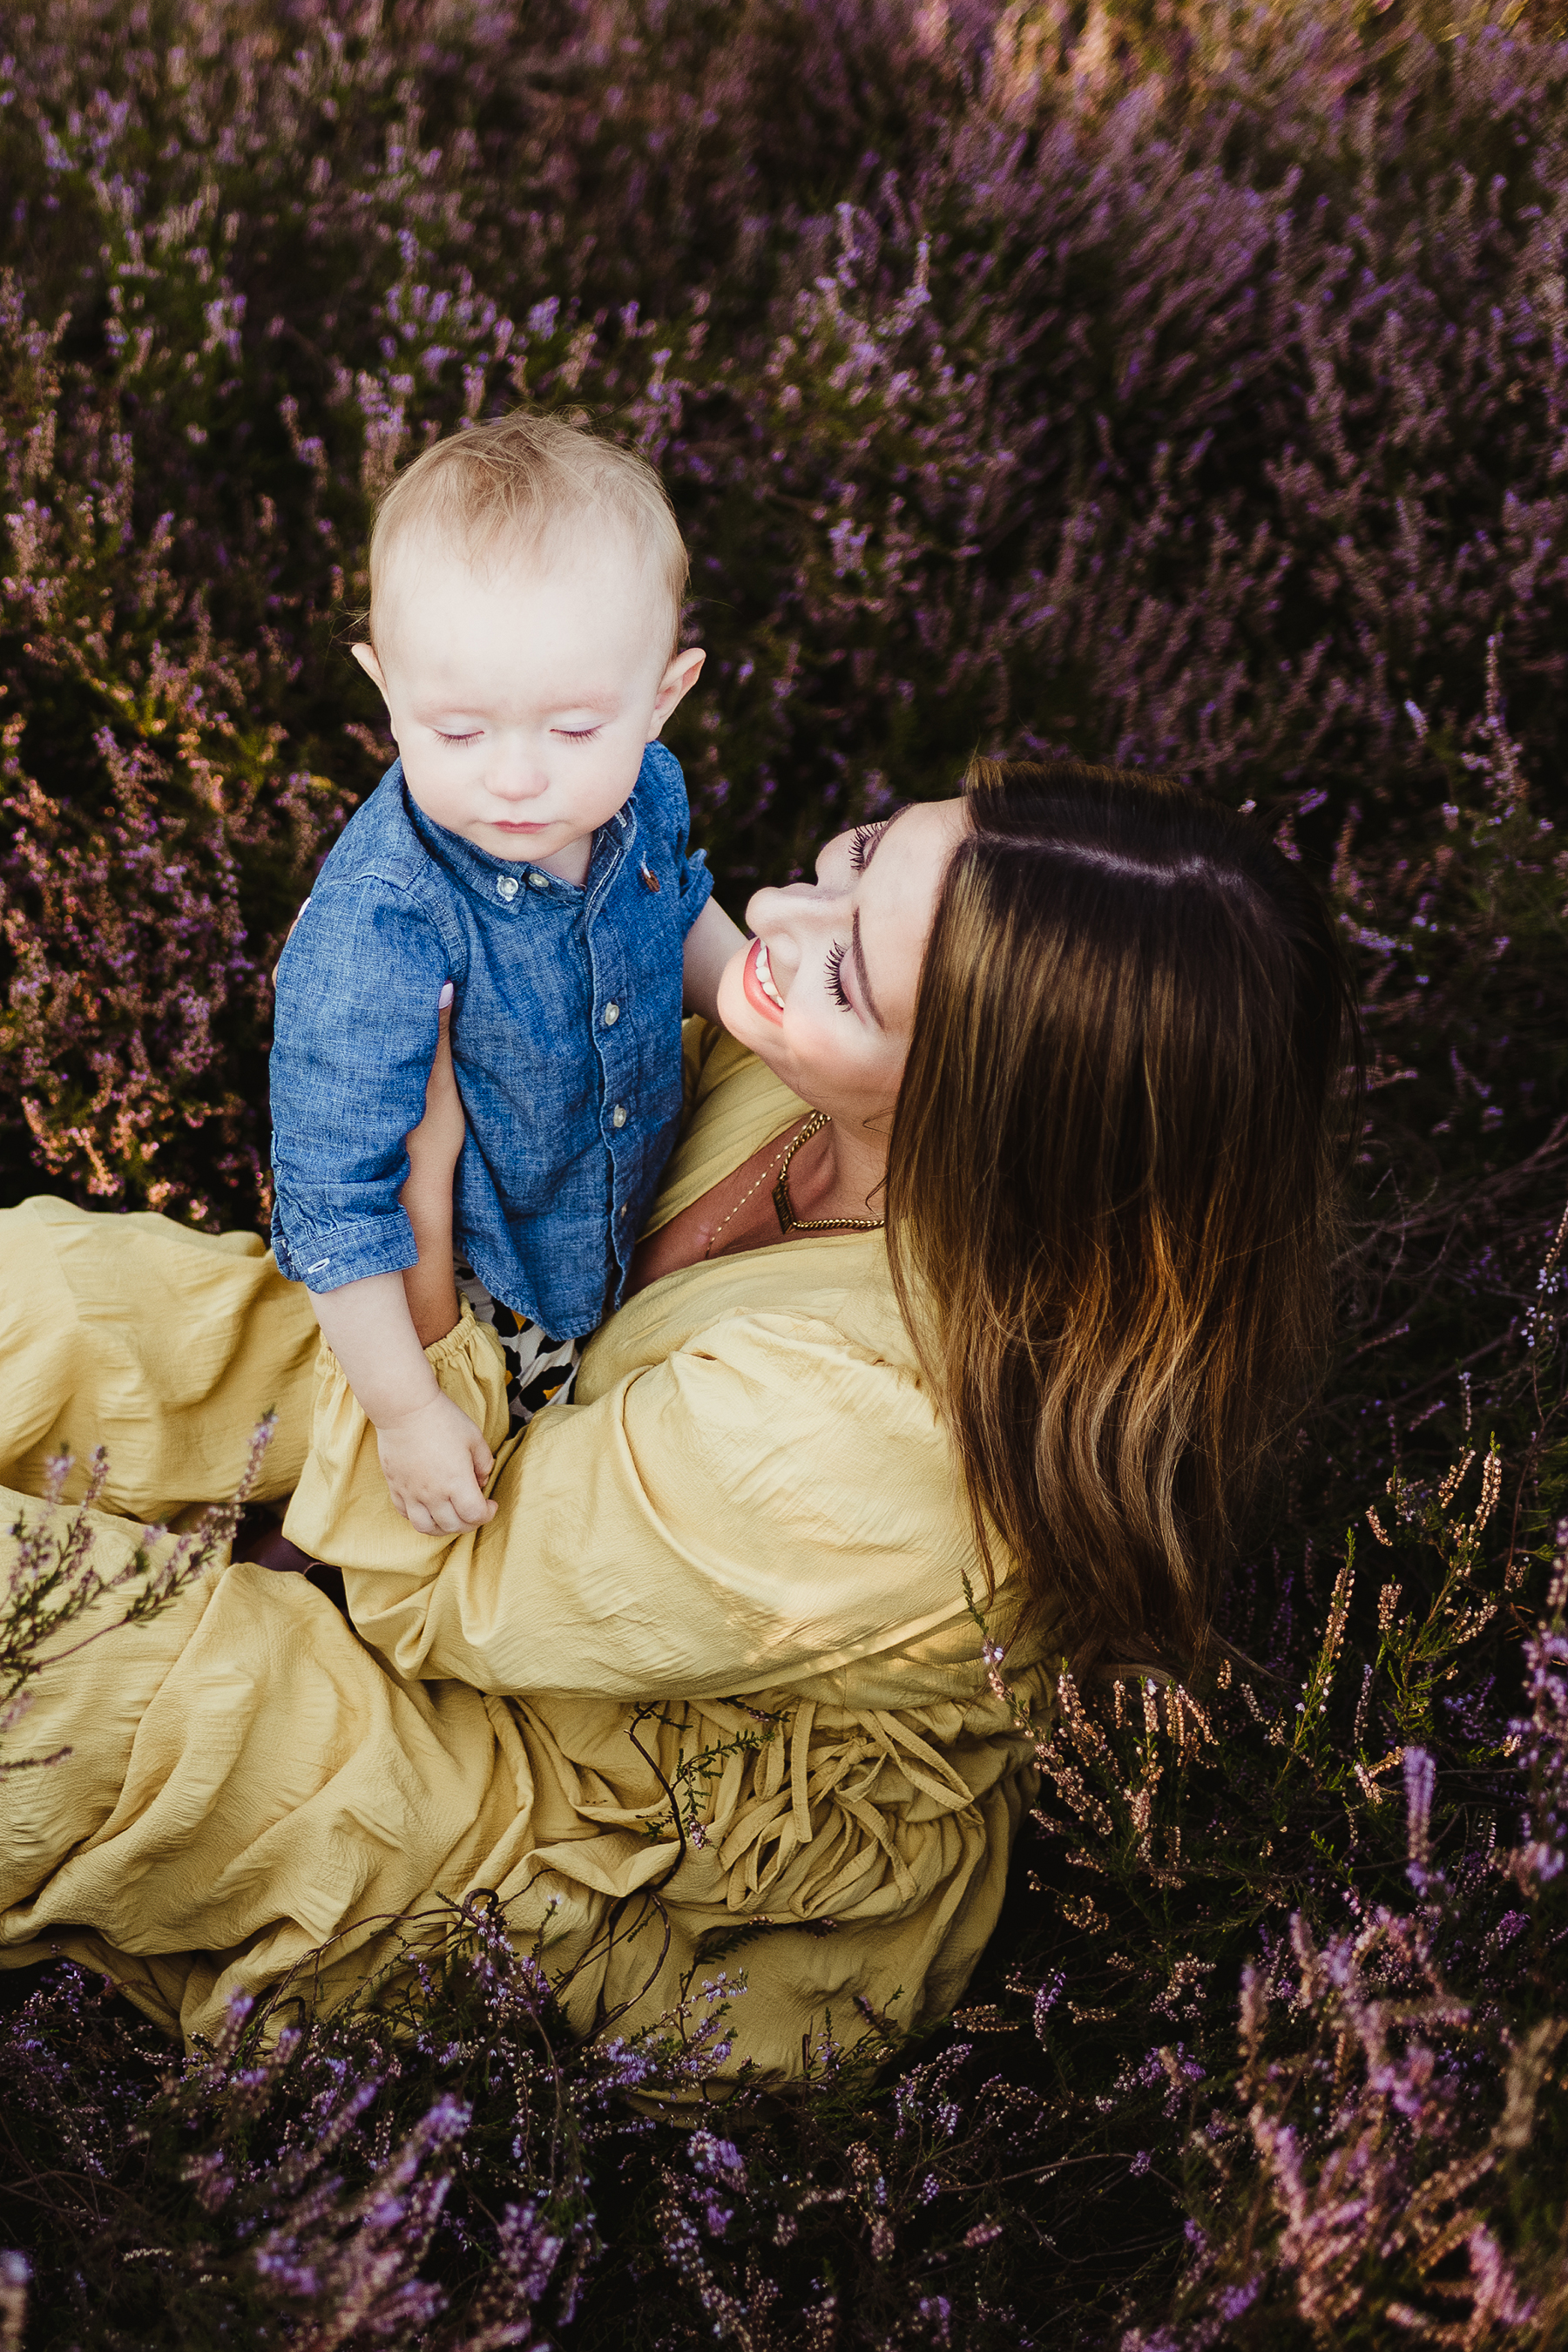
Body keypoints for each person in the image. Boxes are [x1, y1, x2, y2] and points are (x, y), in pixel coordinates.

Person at [0, 760, 1357, 2085]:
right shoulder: (813, 1080)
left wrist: (413, 1180)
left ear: (997, 1129)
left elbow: (448, 1587)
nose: (776, 917)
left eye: (849, 973)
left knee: (103, 1678)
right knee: (64, 1307)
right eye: (866, 850)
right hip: (530, 1438)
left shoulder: (868, 1430)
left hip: (638, 1820)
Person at [268, 410, 744, 1531]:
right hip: (471, 1303)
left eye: (576, 730)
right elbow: (335, 1199)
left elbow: (674, 906)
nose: (517, 780)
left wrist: (756, 1005)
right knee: (455, 1515)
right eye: (460, 732)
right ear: (384, 688)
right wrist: (403, 1409)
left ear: (663, 698)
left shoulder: (642, 793)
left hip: (609, 1226)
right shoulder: (384, 922)